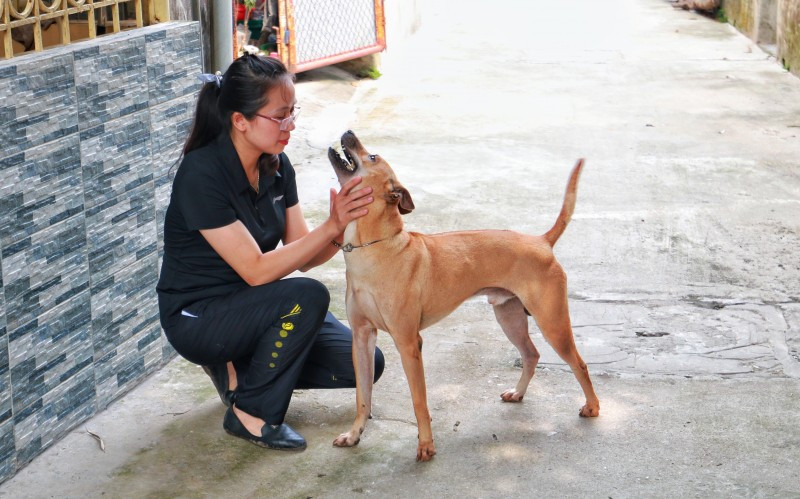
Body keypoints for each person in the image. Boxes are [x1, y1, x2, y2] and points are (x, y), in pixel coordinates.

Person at [156, 53, 384, 451]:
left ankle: (243, 366)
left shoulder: (276, 166)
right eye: (279, 116)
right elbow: (258, 272)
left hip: (250, 307)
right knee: (307, 296)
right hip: (199, 315)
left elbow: (303, 251)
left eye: (292, 112)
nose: (290, 125)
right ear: (240, 120)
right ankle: (251, 412)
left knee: (367, 363)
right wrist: (331, 226)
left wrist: (343, 221)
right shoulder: (201, 174)